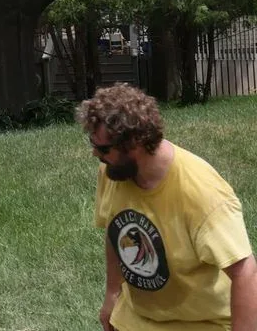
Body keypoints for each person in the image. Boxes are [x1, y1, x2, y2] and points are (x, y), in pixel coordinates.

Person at [78, 82, 257, 331]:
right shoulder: (113, 172)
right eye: (93, 144)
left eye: (103, 148)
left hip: (200, 323)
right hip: (136, 320)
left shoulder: (202, 192)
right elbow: (114, 231)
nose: (95, 154)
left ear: (135, 143)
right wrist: (112, 293)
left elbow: (245, 272)